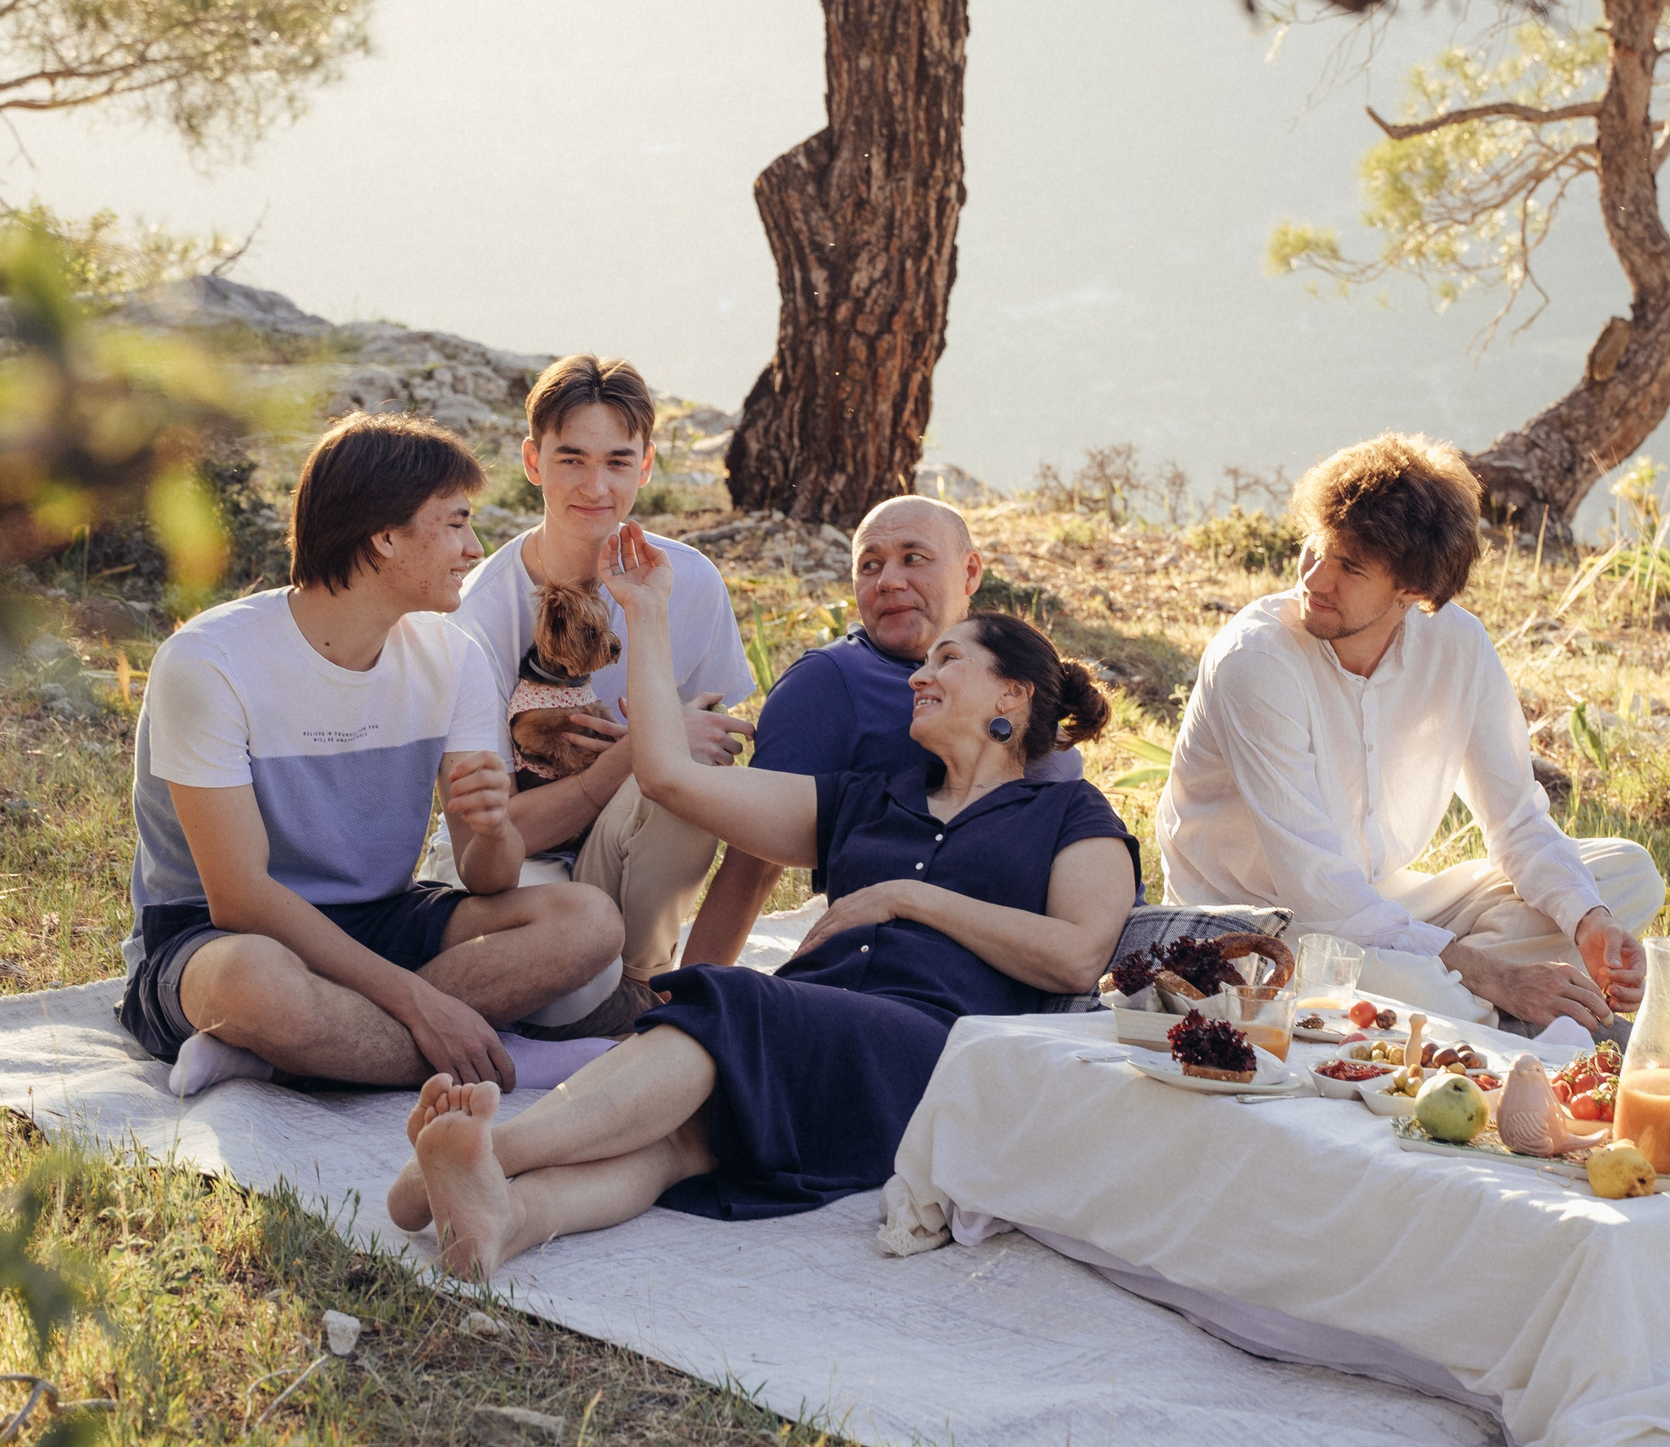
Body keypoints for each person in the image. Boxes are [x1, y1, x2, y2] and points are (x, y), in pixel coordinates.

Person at [389, 522, 1136, 1280]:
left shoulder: (1074, 815)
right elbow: (670, 778)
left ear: (1012, 692)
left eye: (949, 659)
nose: (918, 675)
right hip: (806, 1028)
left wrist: (909, 898)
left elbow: (1079, 954)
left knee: (727, 1002)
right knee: (678, 1143)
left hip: (926, 1055)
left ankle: (485, 1154)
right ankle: (501, 1221)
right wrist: (646, 614)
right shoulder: (868, 798)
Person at [120, 413, 624, 1098]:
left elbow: (485, 875)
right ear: (383, 536)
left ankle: (279, 1056)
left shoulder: (453, 658)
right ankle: (503, 1057)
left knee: (586, 920)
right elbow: (239, 896)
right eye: (454, 523)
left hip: (383, 914)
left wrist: (496, 828)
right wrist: (422, 1004)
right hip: (220, 935)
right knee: (255, 983)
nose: (475, 548)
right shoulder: (209, 662)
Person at [1156, 434, 1664, 1033]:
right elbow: (1318, 892)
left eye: (1350, 567)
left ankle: (1493, 1003)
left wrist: (1589, 923)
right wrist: (1493, 973)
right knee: (1433, 989)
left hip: (1381, 900)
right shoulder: (1256, 661)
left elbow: (1517, 821)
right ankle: (1499, 1009)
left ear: (1414, 590)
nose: (1315, 580)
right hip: (1262, 931)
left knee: (1623, 874)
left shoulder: (1458, 645)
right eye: (1315, 549)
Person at [442, 355, 757, 1033]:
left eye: (617, 461)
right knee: (568, 987)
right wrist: (648, 740)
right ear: (533, 461)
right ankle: (605, 998)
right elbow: (486, 840)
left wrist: (647, 624)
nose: (595, 485)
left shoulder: (690, 582)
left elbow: (716, 772)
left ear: (646, 466)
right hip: (518, 866)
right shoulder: (477, 616)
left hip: (631, 849)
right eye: (571, 459)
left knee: (695, 766)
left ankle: (643, 986)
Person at [682, 494, 1080, 969]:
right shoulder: (828, 682)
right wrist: (688, 994)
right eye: (870, 566)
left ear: (970, 572)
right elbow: (754, 861)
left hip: (1045, 953)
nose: (889, 581)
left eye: (914, 558)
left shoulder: (1016, 670)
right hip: (910, 964)